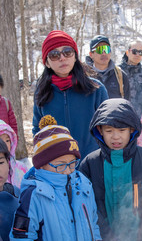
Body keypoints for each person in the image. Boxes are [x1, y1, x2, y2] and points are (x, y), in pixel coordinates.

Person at [11, 116, 101, 241]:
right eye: (60, 165)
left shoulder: (83, 184)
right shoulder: (34, 194)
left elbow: (93, 223)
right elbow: (21, 240)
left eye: (72, 163)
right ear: (42, 164)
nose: (68, 170)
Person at [79, 98, 142, 241]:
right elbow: (86, 208)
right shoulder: (90, 164)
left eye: (122, 130)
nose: (116, 137)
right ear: (100, 131)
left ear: (132, 130)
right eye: (109, 131)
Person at [33, 30, 108, 158]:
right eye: (54, 55)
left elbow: (108, 129)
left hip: (92, 166)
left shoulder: (96, 89)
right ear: (47, 63)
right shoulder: (42, 93)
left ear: (75, 56)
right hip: (58, 168)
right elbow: (38, 132)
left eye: (67, 52)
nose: (62, 58)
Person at [85, 34, 130, 99]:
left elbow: (126, 104)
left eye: (106, 49)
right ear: (91, 54)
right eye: (100, 50)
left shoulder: (120, 76)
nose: (104, 53)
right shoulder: (84, 76)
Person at [119, 39, 142, 115]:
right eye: (134, 51)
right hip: (119, 120)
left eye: (140, 52)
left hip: (138, 121)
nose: (137, 55)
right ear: (127, 52)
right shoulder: (117, 72)